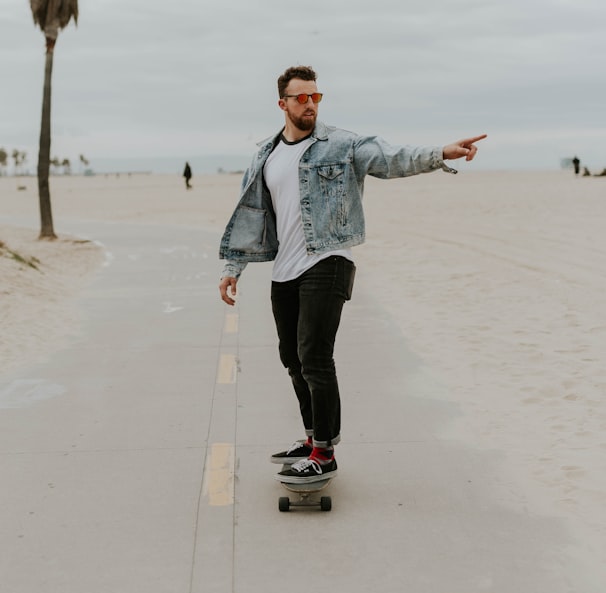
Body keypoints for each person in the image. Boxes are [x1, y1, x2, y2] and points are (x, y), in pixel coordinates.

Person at [218, 65, 486, 484]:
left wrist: (441, 153)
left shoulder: (343, 145)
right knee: (291, 357)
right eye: (301, 98)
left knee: (314, 356)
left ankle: (324, 452)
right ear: (282, 103)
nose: (310, 104)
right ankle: (311, 438)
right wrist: (233, 267)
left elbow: (392, 158)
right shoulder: (265, 155)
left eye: (316, 97)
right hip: (284, 268)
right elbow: (251, 216)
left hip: (329, 260)